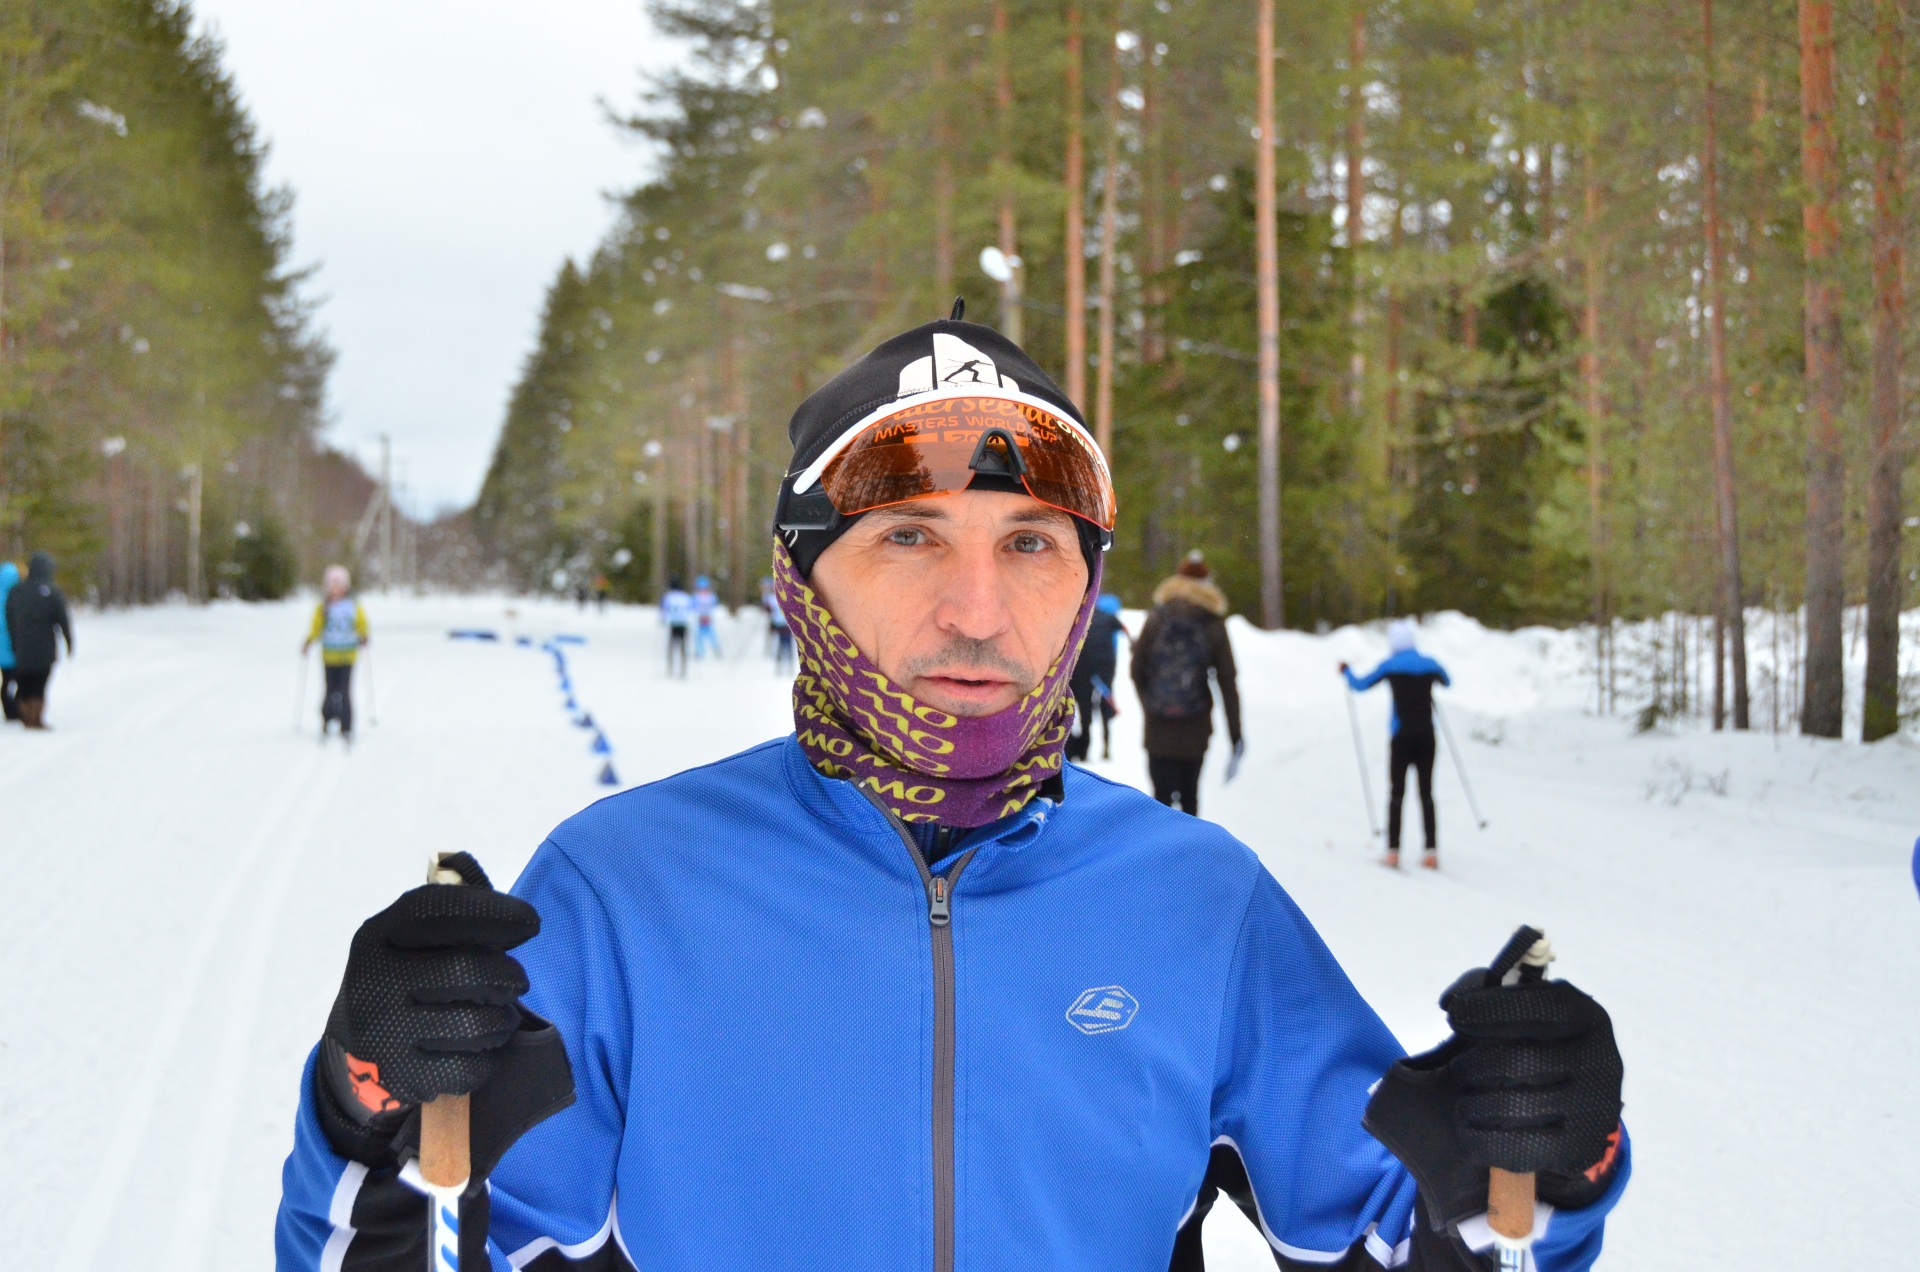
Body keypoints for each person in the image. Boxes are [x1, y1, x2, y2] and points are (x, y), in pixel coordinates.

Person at [276, 311, 1627, 1271]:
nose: (977, 611)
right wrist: (366, 1107)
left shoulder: (1201, 902)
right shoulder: (622, 889)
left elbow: (1420, 1234)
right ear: (799, 581)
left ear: (1086, 588)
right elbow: (438, 1240)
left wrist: (1538, 1163)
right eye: (910, 537)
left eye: (1030, 544)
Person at [1130, 551, 1241, 816]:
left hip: (1158, 728)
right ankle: (1190, 843)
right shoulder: (1212, 621)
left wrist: (1152, 705)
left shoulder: (1158, 616)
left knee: (1160, 802)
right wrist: (1236, 734)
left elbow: (1136, 669)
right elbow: (1227, 680)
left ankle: (1161, 843)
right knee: (1190, 799)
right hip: (1196, 728)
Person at [1343, 618, 1451, 870]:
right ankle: (1431, 852)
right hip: (1427, 736)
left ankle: (1393, 851)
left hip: (1401, 736)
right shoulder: (1430, 664)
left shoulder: (1390, 665)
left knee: (1396, 793)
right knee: (1426, 793)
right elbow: (1447, 681)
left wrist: (1346, 671)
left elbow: (1360, 685)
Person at [4, 551, 73, 731]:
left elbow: (9, 618)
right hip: (45, 648)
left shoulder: (16, 591)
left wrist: (14, 641)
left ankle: (26, 714)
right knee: (40, 683)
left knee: (24, 682)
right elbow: (63, 619)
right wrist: (69, 641)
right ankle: (35, 717)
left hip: (22, 647)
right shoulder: (52, 591)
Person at [301, 565, 368, 742]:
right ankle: (327, 718)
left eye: (340, 586)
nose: (336, 589)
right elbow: (316, 626)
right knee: (330, 689)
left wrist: (363, 635)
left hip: (347, 655)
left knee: (345, 690)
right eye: (332, 585)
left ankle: (346, 724)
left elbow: (361, 622)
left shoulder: (352, 605)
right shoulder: (323, 606)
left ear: (346, 587)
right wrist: (309, 641)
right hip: (329, 655)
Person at [1066, 592, 1129, 762]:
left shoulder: (1079, 616)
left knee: (1081, 709)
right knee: (1104, 705)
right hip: (1105, 669)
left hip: (1081, 669)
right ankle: (1106, 745)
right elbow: (1126, 631)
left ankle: (1079, 750)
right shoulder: (1110, 618)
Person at [660, 576, 693, 677]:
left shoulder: (668, 596)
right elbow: (691, 608)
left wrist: (663, 619)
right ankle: (683, 669)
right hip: (683, 623)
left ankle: (670, 668)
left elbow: (664, 609)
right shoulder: (685, 596)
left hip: (674, 623)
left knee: (671, 646)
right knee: (683, 646)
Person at [0, 559, 19, 724]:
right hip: (14, 647)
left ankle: (9, 709)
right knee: (15, 680)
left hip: (2, 649)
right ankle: (14, 710)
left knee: (6, 681)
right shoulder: (17, 597)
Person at [692, 574, 723, 660]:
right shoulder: (697, 596)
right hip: (700, 619)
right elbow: (693, 608)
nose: (702, 590)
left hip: (708, 618)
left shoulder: (710, 596)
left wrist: (708, 615)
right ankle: (700, 652)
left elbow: (714, 606)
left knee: (712, 635)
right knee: (699, 636)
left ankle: (716, 649)